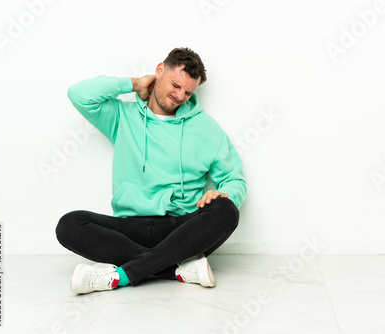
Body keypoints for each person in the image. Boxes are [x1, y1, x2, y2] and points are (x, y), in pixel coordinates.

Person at [55, 47, 246, 294]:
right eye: (175, 85)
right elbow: (79, 94)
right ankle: (176, 269)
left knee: (226, 210)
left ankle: (121, 276)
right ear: (158, 71)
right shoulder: (123, 116)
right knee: (69, 224)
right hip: (129, 229)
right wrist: (134, 84)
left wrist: (224, 194)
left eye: (188, 92)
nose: (180, 96)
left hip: (181, 230)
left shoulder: (206, 129)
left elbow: (235, 180)